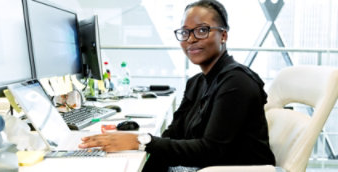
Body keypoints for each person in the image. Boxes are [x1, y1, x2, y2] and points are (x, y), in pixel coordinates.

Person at [79, 0, 276, 171]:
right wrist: (134, 140)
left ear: (223, 35)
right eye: (185, 32)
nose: (190, 39)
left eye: (202, 30)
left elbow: (211, 150)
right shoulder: (197, 82)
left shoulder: (237, 83)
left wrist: (139, 141)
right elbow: (173, 133)